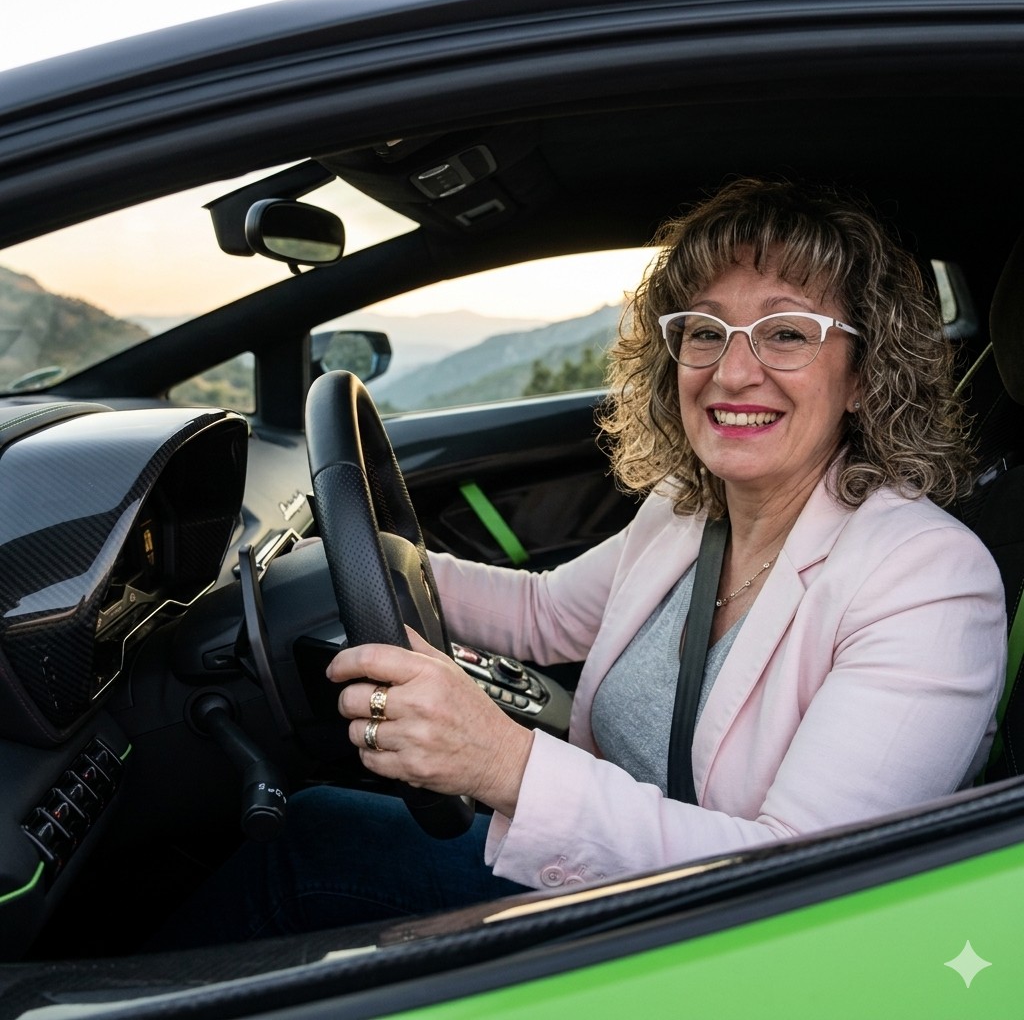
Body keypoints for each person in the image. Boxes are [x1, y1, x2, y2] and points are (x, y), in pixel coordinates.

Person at [154, 177, 1005, 945]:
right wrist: (361, 561)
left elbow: (804, 887)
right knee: (314, 827)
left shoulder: (929, 581)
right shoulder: (690, 507)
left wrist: (504, 764)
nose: (733, 370)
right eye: (703, 331)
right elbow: (546, 614)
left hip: (717, 946)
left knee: (302, 853)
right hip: (618, 881)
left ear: (863, 374)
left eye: (787, 333)